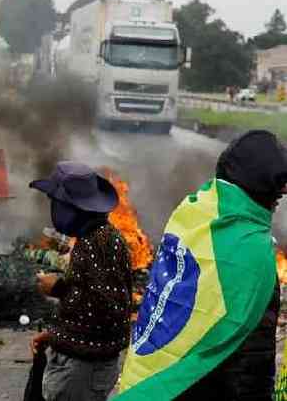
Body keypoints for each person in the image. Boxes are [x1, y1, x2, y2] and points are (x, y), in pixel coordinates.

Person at [117, 130, 287, 401]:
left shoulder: (192, 213)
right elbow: (252, 362)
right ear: (256, 181)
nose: (284, 190)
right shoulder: (253, 252)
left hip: (145, 382)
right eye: (278, 180)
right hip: (196, 387)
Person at [28, 161, 133, 401]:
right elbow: (89, 295)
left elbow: (109, 310)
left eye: (57, 203)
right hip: (78, 366)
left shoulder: (100, 243)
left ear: (72, 208)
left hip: (83, 372)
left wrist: (58, 288)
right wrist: (54, 334)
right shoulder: (94, 238)